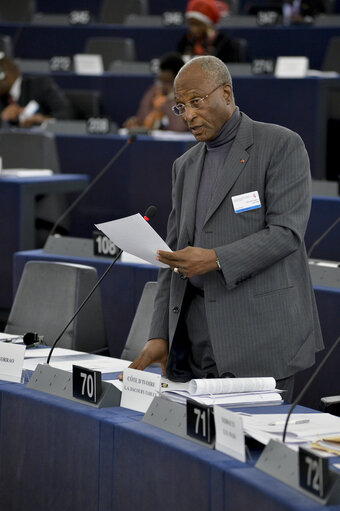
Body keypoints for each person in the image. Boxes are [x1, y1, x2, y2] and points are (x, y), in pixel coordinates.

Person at [126, 55, 324, 402]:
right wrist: (160, 333)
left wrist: (215, 259)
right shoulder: (184, 166)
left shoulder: (280, 145)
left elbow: (286, 233)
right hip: (198, 340)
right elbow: (172, 258)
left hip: (261, 338)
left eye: (196, 102)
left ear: (227, 94)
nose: (188, 115)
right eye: (180, 107)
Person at [0, 57, 73, 127]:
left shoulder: (40, 85)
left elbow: (66, 114)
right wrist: (2, 118)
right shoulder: (4, 98)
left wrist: (44, 121)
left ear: (4, 76)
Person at [123, 53, 187, 132]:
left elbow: (178, 128)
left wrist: (169, 100)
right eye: (161, 82)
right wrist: (136, 122)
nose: (163, 86)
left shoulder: (187, 97)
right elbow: (141, 118)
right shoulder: (154, 91)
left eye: (168, 83)